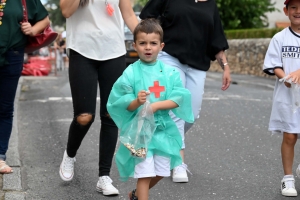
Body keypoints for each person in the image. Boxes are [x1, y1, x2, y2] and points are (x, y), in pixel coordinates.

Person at [139, 0, 231, 182]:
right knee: (176, 111)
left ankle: (163, 140)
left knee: (192, 114)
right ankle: (178, 163)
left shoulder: (210, 6)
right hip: (170, 58)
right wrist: (150, 45)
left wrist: (226, 66)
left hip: (197, 65)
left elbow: (216, 40)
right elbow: (147, 18)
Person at [107, 18, 194, 200]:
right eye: (143, 43)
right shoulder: (131, 72)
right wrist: (137, 102)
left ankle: (136, 195)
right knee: (144, 175)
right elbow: (122, 102)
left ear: (161, 46)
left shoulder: (169, 72)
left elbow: (179, 97)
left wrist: (155, 106)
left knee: (162, 171)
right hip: (141, 133)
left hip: (163, 130)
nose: (148, 47)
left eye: (153, 43)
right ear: (134, 45)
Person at [58, 0, 139, 196]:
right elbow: (66, 11)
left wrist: (147, 37)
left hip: (114, 51)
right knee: (84, 116)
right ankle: (70, 154)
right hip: (82, 50)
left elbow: (127, 13)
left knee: (110, 115)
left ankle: (104, 177)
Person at [0, 0, 50, 174]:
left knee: (5, 107)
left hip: (12, 55)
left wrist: (33, 29)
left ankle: (0, 156)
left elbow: (45, 19)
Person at [263, 0, 300, 197]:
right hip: (288, 95)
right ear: (286, 11)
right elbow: (274, 65)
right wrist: (284, 76)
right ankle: (288, 179)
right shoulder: (279, 38)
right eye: (293, 7)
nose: (298, 11)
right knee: (290, 136)